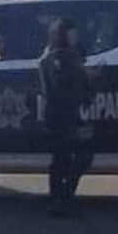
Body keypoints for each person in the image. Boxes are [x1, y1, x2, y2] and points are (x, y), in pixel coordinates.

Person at [38, 17, 93, 216]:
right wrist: (89, 77)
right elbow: (64, 87)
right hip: (64, 114)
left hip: (61, 114)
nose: (75, 36)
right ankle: (62, 199)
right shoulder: (60, 57)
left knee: (64, 158)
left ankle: (60, 199)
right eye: (71, 32)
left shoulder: (55, 55)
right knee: (75, 157)